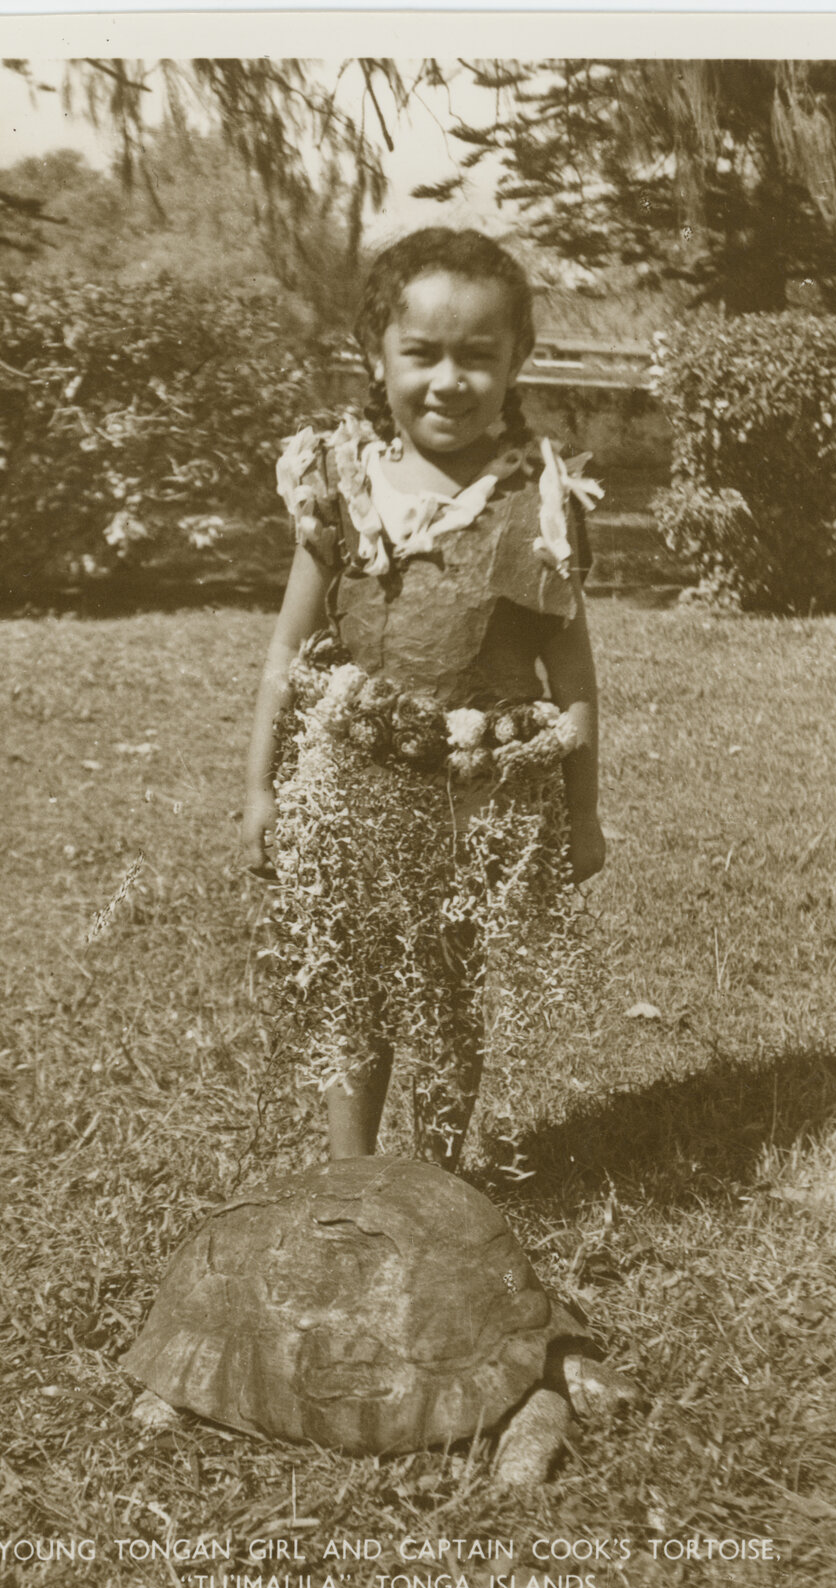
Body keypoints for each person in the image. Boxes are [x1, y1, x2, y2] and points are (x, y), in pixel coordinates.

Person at [242, 227, 605, 1169]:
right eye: (423, 354)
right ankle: (353, 1175)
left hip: (480, 808)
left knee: (446, 991)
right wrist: (259, 791)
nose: (450, 379)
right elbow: (286, 653)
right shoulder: (344, 486)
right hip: (350, 800)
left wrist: (583, 814)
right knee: (351, 984)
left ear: (517, 360)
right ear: (377, 354)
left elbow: (573, 684)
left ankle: (437, 1182)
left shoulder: (541, 507)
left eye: (478, 356)